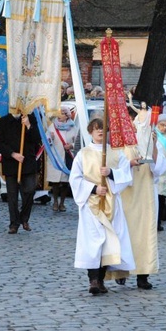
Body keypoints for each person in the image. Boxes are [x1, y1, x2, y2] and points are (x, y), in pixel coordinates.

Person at [70, 118, 134, 295]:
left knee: (108, 242)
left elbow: (126, 175)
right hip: (91, 205)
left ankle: (102, 278)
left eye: (102, 129)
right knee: (93, 242)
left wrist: (111, 173)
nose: (99, 132)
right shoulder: (83, 154)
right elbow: (75, 178)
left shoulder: (115, 153)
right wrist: (93, 188)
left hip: (111, 203)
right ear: (90, 131)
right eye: (96, 129)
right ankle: (93, 280)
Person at [112, 121, 166, 290]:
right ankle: (121, 271)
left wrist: (154, 147)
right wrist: (129, 164)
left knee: (145, 234)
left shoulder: (150, 142)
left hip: (146, 196)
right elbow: (112, 167)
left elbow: (159, 168)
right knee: (124, 233)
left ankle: (143, 274)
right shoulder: (119, 144)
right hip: (126, 194)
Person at [0, 112, 40, 234]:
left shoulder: (30, 119)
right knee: (12, 196)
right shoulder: (3, 121)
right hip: (11, 163)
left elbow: (37, 139)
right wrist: (13, 154)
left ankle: (24, 218)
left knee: (30, 191)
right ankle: (14, 223)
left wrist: (29, 126)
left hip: (28, 162)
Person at [45, 106, 78, 212]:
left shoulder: (73, 127)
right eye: (59, 113)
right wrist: (51, 138)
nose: (60, 116)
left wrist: (71, 146)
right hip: (55, 157)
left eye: (62, 114)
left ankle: (62, 203)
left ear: (67, 116)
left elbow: (77, 141)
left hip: (67, 157)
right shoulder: (52, 126)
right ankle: (55, 201)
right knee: (55, 181)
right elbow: (46, 141)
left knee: (65, 182)